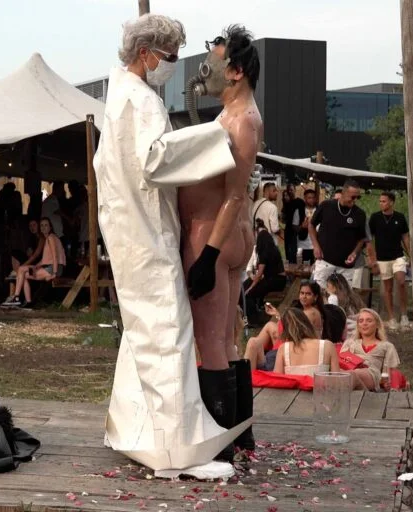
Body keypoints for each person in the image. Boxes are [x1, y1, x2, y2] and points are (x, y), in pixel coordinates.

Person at [93, 14, 252, 474]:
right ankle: (177, 448)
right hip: (144, 233)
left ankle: (134, 428)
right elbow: (154, 160)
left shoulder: (120, 95)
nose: (174, 64)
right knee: (167, 333)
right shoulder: (139, 100)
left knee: (143, 333)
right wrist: (213, 138)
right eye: (170, 56)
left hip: (132, 228)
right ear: (146, 53)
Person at [179, 25, 264, 458]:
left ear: (234, 71)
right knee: (226, 338)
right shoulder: (232, 115)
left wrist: (207, 253)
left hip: (213, 232)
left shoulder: (242, 119)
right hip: (228, 234)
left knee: (210, 339)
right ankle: (239, 432)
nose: (203, 71)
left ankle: (219, 445)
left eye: (211, 62)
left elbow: (234, 194)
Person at [309, 179, 373, 289]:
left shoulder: (360, 214)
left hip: (346, 267)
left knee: (344, 296)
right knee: (319, 293)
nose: (355, 200)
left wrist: (354, 253)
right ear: (343, 193)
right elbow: (311, 225)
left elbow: (361, 238)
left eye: (358, 197)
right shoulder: (326, 206)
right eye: (352, 197)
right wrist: (316, 246)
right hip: (325, 261)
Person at [368, 192, 410, 331]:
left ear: (391, 202)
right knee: (388, 288)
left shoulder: (400, 217)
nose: (381, 203)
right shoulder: (375, 217)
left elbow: (405, 237)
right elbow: (369, 239)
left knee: (401, 282)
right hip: (382, 257)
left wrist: (411, 254)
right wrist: (372, 259)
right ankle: (392, 318)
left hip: (398, 255)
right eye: (380, 201)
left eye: (384, 201)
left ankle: (404, 315)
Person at [2, 218, 65, 309]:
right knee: (23, 273)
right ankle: (27, 301)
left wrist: (54, 273)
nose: (43, 227)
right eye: (42, 225)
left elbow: (55, 256)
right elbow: (45, 259)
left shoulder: (51, 238)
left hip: (53, 269)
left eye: (46, 225)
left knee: (21, 270)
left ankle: (16, 298)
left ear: (50, 227)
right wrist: (36, 266)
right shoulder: (48, 238)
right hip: (49, 267)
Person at [340, 308, 401, 391]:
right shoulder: (349, 343)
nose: (364, 323)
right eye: (361, 321)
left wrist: (387, 384)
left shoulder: (386, 346)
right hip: (349, 372)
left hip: (372, 374)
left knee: (351, 374)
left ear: (377, 325)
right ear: (358, 326)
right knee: (342, 374)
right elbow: (342, 362)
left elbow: (389, 372)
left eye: (369, 321)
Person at [273, 308, 340, 375]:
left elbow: (277, 378)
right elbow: (337, 378)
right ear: (307, 323)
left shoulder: (283, 349)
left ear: (285, 330)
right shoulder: (328, 346)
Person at [242, 219, 286, 320]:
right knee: (245, 287)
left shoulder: (264, 253)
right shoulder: (274, 249)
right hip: (278, 280)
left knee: (248, 293)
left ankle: (253, 318)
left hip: (275, 281)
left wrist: (251, 288)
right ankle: (252, 314)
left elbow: (259, 274)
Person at [282, 184, 304, 264]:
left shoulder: (300, 202)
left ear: (295, 190)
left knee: (295, 252)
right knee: (288, 252)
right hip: (288, 230)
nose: (290, 192)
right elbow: (284, 219)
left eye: (291, 190)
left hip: (297, 230)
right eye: (289, 190)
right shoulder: (286, 204)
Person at [294, 188, 317, 264]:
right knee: (303, 267)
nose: (312, 200)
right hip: (303, 245)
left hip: (316, 245)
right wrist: (302, 227)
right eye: (309, 198)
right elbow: (294, 227)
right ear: (305, 198)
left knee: (316, 267)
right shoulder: (299, 211)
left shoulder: (319, 210)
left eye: (313, 197)